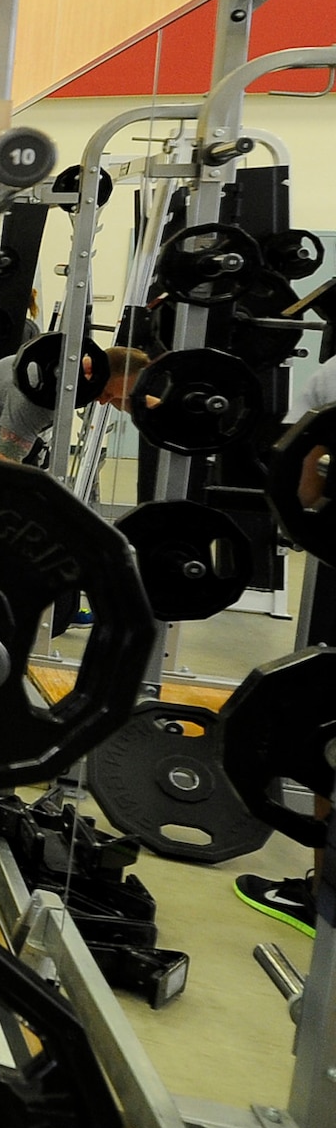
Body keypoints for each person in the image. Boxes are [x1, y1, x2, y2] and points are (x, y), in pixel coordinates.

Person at [236, 352, 336, 938]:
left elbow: (301, 474)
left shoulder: (331, 374)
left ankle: (321, 895)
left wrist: (312, 514)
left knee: (325, 712)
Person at [0, 341, 148, 461]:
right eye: (106, 394)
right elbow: (5, 461)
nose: (104, 402)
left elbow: (136, 403)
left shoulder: (77, 372)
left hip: (8, 435)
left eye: (114, 397)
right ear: (90, 371)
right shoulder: (39, 397)